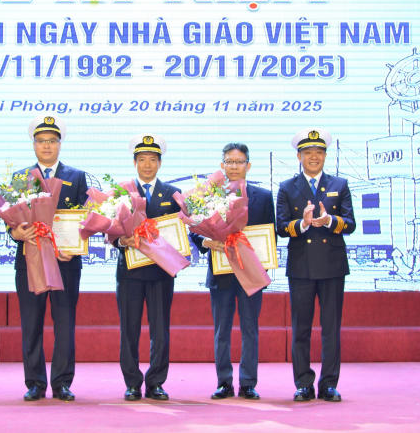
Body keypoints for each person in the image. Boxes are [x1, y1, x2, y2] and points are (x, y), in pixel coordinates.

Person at [9, 114, 88, 402]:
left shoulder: (76, 177)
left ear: (59, 144)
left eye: (52, 141)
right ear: (34, 145)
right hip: (29, 260)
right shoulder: (21, 178)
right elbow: (12, 219)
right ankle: (35, 383)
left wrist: (76, 245)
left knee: (64, 323)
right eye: (41, 141)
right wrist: (15, 231)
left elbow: (84, 219)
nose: (46, 146)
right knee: (31, 323)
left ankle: (62, 382)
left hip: (65, 262)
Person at [275, 129, 356, 402]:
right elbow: (281, 227)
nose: (313, 157)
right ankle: (303, 383)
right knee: (301, 328)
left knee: (331, 328)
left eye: (319, 152)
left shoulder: (340, 185)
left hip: (332, 266)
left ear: (325, 156)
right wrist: (304, 223)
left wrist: (329, 220)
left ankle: (329, 384)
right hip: (301, 267)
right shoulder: (287, 187)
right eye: (308, 152)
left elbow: (351, 224)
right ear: (299, 156)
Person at [196, 143, 274, 400]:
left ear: (248, 165)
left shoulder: (263, 197)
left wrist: (262, 263)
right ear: (222, 165)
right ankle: (224, 382)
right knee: (222, 330)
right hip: (221, 272)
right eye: (229, 162)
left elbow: (269, 235)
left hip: (251, 271)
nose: (234, 167)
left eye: (239, 162)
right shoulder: (208, 195)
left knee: (250, 329)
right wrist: (206, 242)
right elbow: (194, 229)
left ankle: (248, 383)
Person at [115, 134, 182, 401]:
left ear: (160, 163)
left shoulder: (172, 193)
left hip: (160, 272)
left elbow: (181, 229)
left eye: (152, 160)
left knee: (160, 330)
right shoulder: (121, 192)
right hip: (130, 271)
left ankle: (156, 382)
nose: (147, 165)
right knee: (129, 330)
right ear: (135, 162)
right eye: (142, 159)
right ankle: (132, 382)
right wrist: (121, 240)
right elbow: (111, 231)